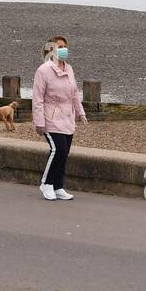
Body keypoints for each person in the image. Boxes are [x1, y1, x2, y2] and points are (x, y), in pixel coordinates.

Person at [32, 35, 86, 201]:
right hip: (51, 117)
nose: (62, 50)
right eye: (59, 47)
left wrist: (80, 112)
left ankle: (58, 186)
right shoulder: (43, 70)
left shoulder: (68, 68)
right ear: (50, 50)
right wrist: (39, 122)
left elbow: (74, 93)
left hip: (67, 117)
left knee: (65, 153)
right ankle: (46, 184)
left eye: (64, 46)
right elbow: (38, 98)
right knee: (58, 150)